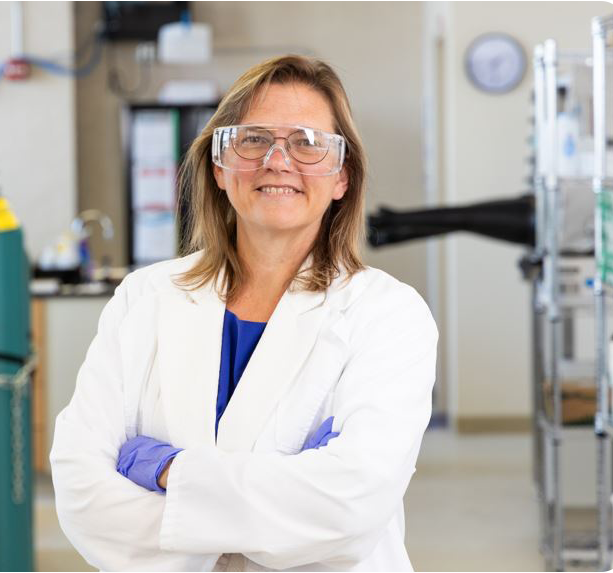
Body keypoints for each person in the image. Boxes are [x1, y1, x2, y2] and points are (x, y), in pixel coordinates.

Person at [50, 54, 438, 573]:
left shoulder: (389, 315)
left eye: (307, 142)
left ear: (342, 176)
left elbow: (348, 507)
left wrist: (168, 473)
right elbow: (81, 492)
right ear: (218, 166)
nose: (278, 160)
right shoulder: (143, 297)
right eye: (253, 139)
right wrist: (286, 493)